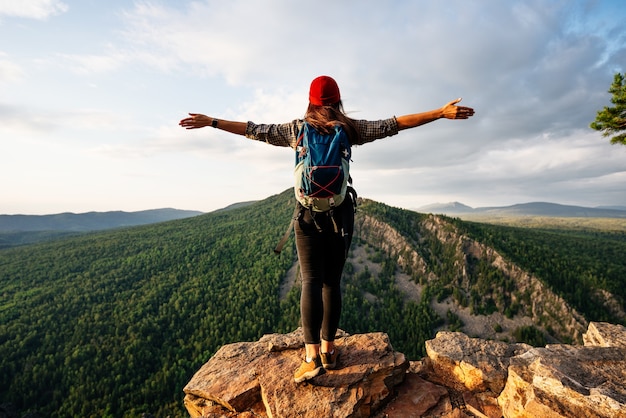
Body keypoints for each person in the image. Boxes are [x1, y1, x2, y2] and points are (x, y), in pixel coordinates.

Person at [179, 75, 475, 383]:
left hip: (307, 215)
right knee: (331, 283)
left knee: (310, 281)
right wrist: (439, 113)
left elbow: (254, 130)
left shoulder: (296, 130)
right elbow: (394, 124)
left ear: (310, 101)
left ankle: (310, 358)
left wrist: (212, 122)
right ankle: (329, 352)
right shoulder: (349, 129)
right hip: (340, 214)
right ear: (337, 100)